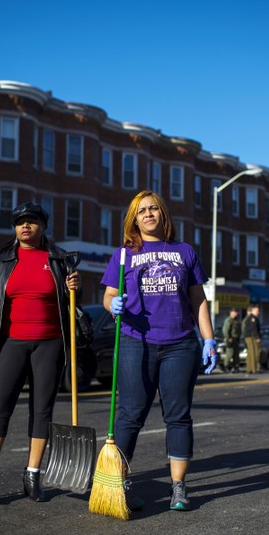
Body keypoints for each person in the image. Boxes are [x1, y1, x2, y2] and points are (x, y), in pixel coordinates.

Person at [0, 201, 81, 502]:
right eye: (20, 222)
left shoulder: (60, 259)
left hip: (50, 343)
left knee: (41, 411)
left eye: (32, 221)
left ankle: (33, 476)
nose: (25, 226)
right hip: (10, 342)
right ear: (14, 227)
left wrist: (76, 286)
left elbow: (71, 302)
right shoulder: (1, 259)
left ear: (43, 227)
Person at [104, 190, 216, 512]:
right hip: (134, 342)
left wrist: (208, 338)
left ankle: (178, 488)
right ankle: (119, 486)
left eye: (154, 208)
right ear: (134, 219)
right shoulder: (123, 254)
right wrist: (113, 305)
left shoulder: (184, 252)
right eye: (142, 211)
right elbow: (109, 296)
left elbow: (198, 300)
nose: (149, 214)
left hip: (180, 344)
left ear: (163, 213)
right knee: (129, 416)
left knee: (178, 416)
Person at [221, 307, 242, 373]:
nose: (236, 313)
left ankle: (235, 367)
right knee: (229, 353)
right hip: (230, 339)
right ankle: (226, 366)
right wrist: (228, 338)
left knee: (236, 354)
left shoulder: (236, 320)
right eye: (235, 312)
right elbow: (225, 330)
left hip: (236, 339)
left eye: (237, 312)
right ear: (231, 312)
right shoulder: (228, 320)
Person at [241, 304, 262, 374]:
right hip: (251, 337)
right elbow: (254, 329)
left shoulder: (252, 318)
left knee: (251, 353)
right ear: (253, 311)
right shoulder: (252, 318)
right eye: (257, 311)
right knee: (254, 353)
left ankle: (250, 369)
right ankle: (254, 368)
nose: (258, 312)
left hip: (250, 336)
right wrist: (257, 337)